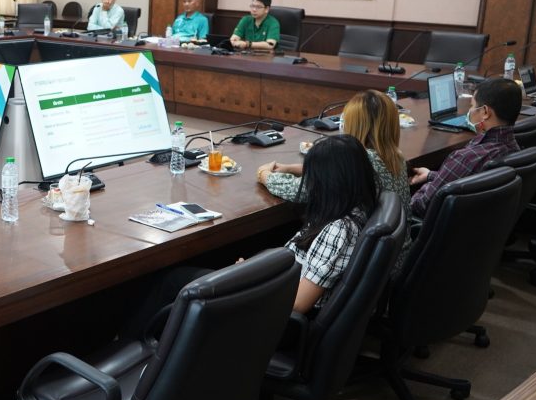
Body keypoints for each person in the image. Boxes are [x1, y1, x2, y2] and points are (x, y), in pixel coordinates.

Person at [127, 135, 377, 334]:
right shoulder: (356, 207)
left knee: (173, 281)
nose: (310, 183)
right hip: (275, 287)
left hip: (272, 318)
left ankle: (135, 350)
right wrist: (254, 270)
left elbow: (298, 304)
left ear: (330, 182)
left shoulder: (338, 229)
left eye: (314, 177)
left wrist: (251, 281)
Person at [257, 89, 410, 213]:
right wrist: (291, 168)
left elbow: (299, 190)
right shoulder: (396, 156)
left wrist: (265, 175)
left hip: (359, 240)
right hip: (394, 241)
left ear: (356, 125)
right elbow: (334, 172)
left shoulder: (357, 161)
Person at [410, 77, 521, 217]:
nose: (470, 111)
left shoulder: (466, 158)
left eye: (472, 106)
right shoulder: (513, 146)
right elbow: (470, 179)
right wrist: (431, 176)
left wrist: (415, 191)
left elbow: (421, 206)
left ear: (485, 112)